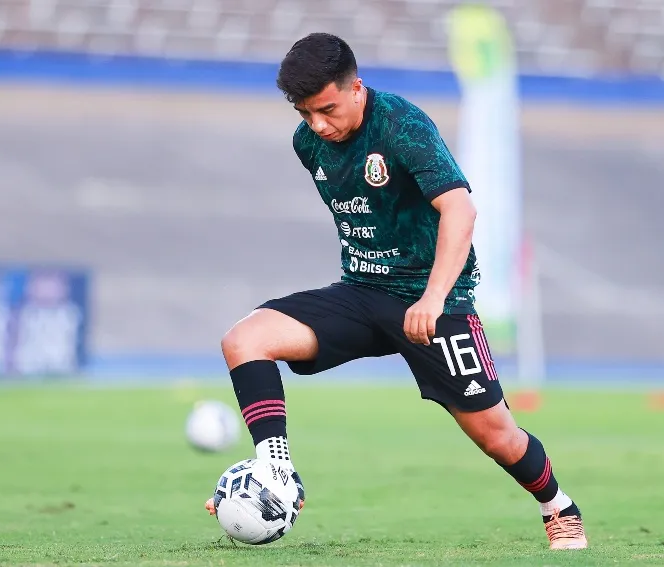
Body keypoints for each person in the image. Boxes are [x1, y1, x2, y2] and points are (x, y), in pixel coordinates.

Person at [205, 32, 587, 550]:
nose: (318, 124)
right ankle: (274, 476)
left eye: (327, 109)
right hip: (361, 292)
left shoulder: (402, 124)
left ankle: (558, 506)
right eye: (304, 113)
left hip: (436, 302)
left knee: (496, 436)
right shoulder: (308, 142)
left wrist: (431, 299)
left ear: (356, 88)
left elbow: (460, 210)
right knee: (244, 341)